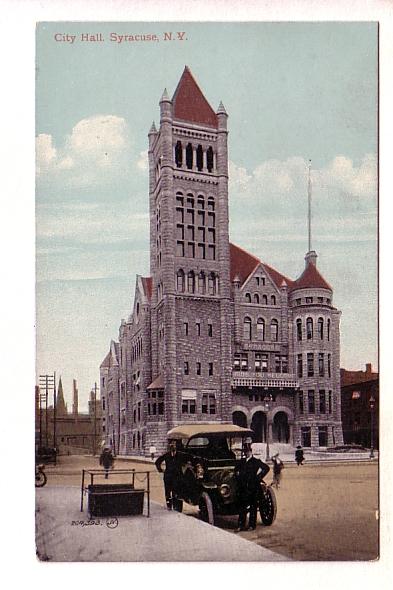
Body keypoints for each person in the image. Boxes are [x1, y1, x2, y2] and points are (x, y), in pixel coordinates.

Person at [234, 440, 270, 531]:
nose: (247, 453)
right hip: (243, 487)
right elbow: (235, 470)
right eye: (245, 452)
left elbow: (266, 468)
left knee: (253, 507)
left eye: (248, 451)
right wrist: (238, 476)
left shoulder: (256, 461)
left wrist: (258, 477)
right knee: (242, 507)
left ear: (251, 452)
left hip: (253, 487)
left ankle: (251, 526)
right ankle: (240, 525)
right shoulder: (241, 461)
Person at [155, 440, 187, 510]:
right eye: (171, 445)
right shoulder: (167, 455)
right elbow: (157, 462)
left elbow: (187, 462)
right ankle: (169, 506)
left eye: (174, 445)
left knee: (177, 492)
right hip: (168, 477)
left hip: (177, 477)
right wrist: (160, 470)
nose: (173, 446)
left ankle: (178, 508)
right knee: (168, 492)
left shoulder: (180, 455)